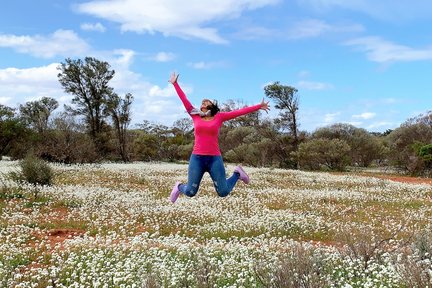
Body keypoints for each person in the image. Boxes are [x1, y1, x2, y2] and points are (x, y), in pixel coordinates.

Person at [168, 72, 270, 203]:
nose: (203, 102)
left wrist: (258, 106)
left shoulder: (219, 117)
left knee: (223, 192)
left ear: (212, 106)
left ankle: (237, 174)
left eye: (207, 101)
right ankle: (178, 186)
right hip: (197, 158)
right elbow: (184, 99)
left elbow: (238, 112)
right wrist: (175, 84)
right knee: (190, 192)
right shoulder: (195, 115)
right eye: (202, 102)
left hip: (214, 159)